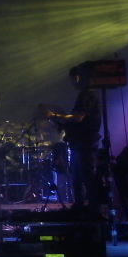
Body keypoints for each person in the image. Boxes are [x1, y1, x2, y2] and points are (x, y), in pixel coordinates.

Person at [41, 65, 103, 219]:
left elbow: (78, 117)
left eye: (72, 79)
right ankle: (81, 207)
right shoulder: (85, 94)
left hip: (85, 142)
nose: (72, 83)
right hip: (79, 142)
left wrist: (54, 115)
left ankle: (94, 210)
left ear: (78, 77)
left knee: (86, 175)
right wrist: (55, 120)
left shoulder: (88, 94)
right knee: (78, 177)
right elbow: (75, 122)